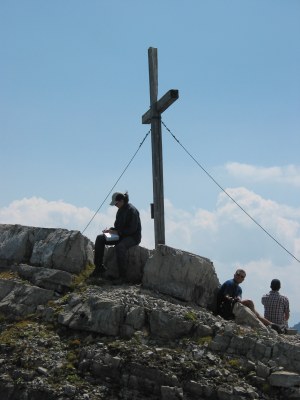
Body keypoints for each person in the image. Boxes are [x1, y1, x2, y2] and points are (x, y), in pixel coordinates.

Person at [92, 191, 141, 281]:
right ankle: (98, 267)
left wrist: (117, 232)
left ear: (122, 201)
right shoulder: (120, 210)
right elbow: (118, 227)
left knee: (120, 247)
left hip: (133, 237)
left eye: (116, 203)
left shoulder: (132, 210)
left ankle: (122, 276)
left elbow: (132, 229)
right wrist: (111, 230)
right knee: (100, 238)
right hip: (121, 235)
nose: (115, 205)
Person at [217, 269, 283, 332]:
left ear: (243, 279)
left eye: (242, 276)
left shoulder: (239, 289)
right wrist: (232, 298)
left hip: (232, 306)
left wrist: (238, 299)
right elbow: (226, 296)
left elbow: (239, 298)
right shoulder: (230, 283)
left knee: (253, 309)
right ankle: (267, 324)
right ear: (234, 275)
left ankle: (271, 324)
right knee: (250, 303)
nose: (239, 277)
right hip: (225, 308)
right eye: (238, 275)